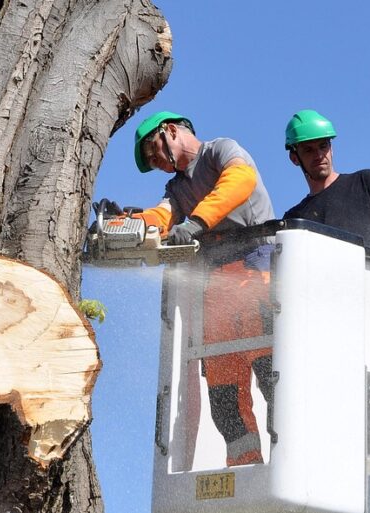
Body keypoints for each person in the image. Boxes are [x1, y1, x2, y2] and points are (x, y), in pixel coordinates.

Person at [106, 110, 275, 466]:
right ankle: (246, 474)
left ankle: (288, 467)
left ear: (170, 130)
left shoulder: (220, 151)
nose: (156, 162)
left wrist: (198, 222)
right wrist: (126, 223)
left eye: (154, 152)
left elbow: (239, 180)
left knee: (274, 378)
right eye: (151, 161)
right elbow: (163, 215)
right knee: (224, 394)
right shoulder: (177, 187)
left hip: (255, 270)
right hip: (216, 288)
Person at [283, 109, 370, 252]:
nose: (319, 155)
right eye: (309, 150)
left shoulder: (365, 182)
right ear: (294, 158)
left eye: (323, 146)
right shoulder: (295, 219)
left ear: (331, 148)